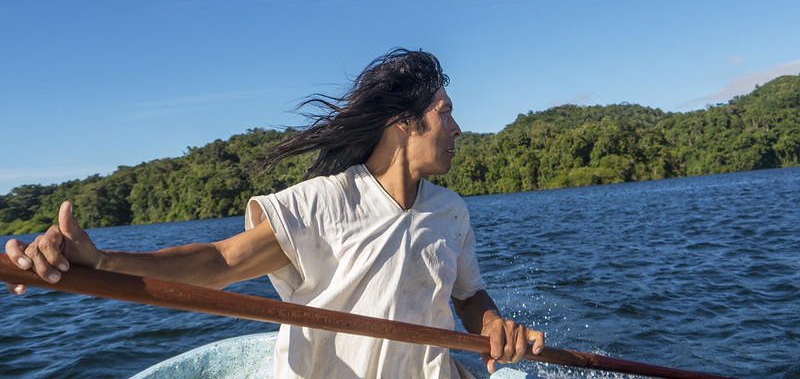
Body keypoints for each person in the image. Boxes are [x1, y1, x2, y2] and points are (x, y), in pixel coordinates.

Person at [5, 48, 544, 378]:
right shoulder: (322, 202)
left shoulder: (451, 212)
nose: (456, 128)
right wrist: (99, 262)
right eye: (445, 113)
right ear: (403, 120)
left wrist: (495, 326)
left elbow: (469, 296)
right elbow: (219, 262)